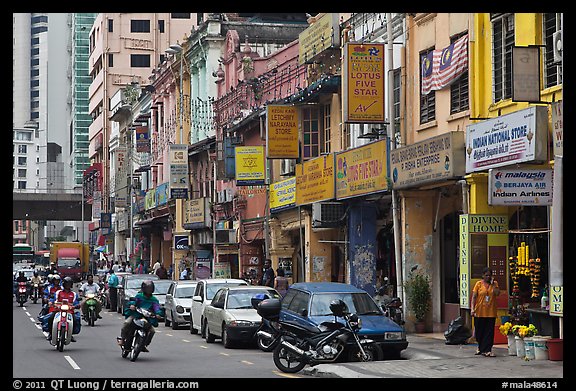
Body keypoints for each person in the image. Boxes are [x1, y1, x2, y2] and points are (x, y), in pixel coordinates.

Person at [117, 280, 163, 352]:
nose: (149, 290)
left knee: (152, 331)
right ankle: (122, 339)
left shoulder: (154, 300)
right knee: (127, 323)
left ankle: (144, 344)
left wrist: (158, 314)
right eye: (148, 288)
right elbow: (134, 302)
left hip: (146, 318)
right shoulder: (139, 296)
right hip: (136, 315)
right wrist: (132, 305)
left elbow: (157, 308)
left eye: (150, 288)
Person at [471, 267, 501, 357]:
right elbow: (474, 297)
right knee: (480, 331)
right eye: (486, 275)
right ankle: (480, 347)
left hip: (490, 312)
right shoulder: (478, 284)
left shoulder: (494, 284)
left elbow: (497, 293)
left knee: (489, 332)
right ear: (483, 275)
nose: (488, 277)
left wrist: (493, 284)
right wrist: (472, 308)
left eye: (489, 275)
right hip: (479, 311)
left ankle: (487, 350)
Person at [45, 277, 81, 342]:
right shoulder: (58, 292)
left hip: (70, 312)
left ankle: (71, 334)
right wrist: (51, 303)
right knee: (50, 318)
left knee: (75, 321)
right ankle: (50, 333)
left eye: (69, 284)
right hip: (58, 311)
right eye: (67, 284)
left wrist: (76, 306)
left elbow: (76, 303)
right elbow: (53, 300)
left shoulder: (74, 294)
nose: (68, 285)